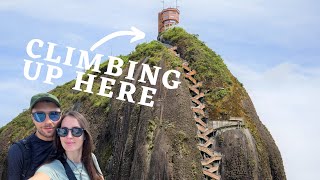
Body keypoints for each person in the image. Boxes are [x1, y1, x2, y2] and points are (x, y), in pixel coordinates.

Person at [30, 111, 104, 180]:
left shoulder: (91, 158)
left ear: (85, 135)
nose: (69, 136)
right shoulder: (52, 169)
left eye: (76, 131)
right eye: (63, 131)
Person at [7, 93, 62, 179]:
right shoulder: (19, 151)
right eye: (39, 115)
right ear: (32, 118)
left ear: (61, 116)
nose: (48, 122)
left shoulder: (69, 144)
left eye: (54, 114)